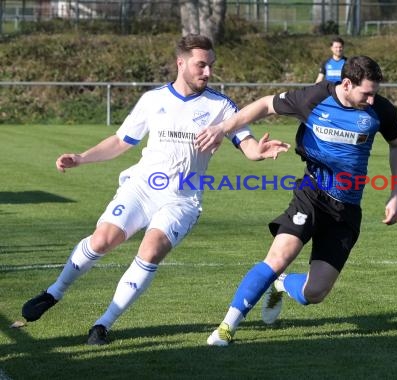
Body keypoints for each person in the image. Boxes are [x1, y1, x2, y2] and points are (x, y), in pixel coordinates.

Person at [21, 35, 290, 345]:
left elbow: (248, 145)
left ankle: (103, 324)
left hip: (182, 199)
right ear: (181, 63)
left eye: (211, 66)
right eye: (201, 65)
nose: (208, 72)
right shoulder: (153, 100)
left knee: (150, 249)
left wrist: (260, 151)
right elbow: (122, 141)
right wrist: (81, 158)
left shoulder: (221, 106)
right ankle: (55, 291)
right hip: (141, 188)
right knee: (102, 241)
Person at [196, 55, 397, 346]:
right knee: (278, 257)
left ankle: (281, 285)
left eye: (375, 93)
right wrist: (223, 127)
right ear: (347, 84)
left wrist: (396, 193)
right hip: (312, 194)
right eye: (366, 93)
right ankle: (226, 328)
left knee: (315, 293)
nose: (372, 100)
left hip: (346, 209)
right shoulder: (314, 97)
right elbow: (266, 104)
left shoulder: (380, 110)